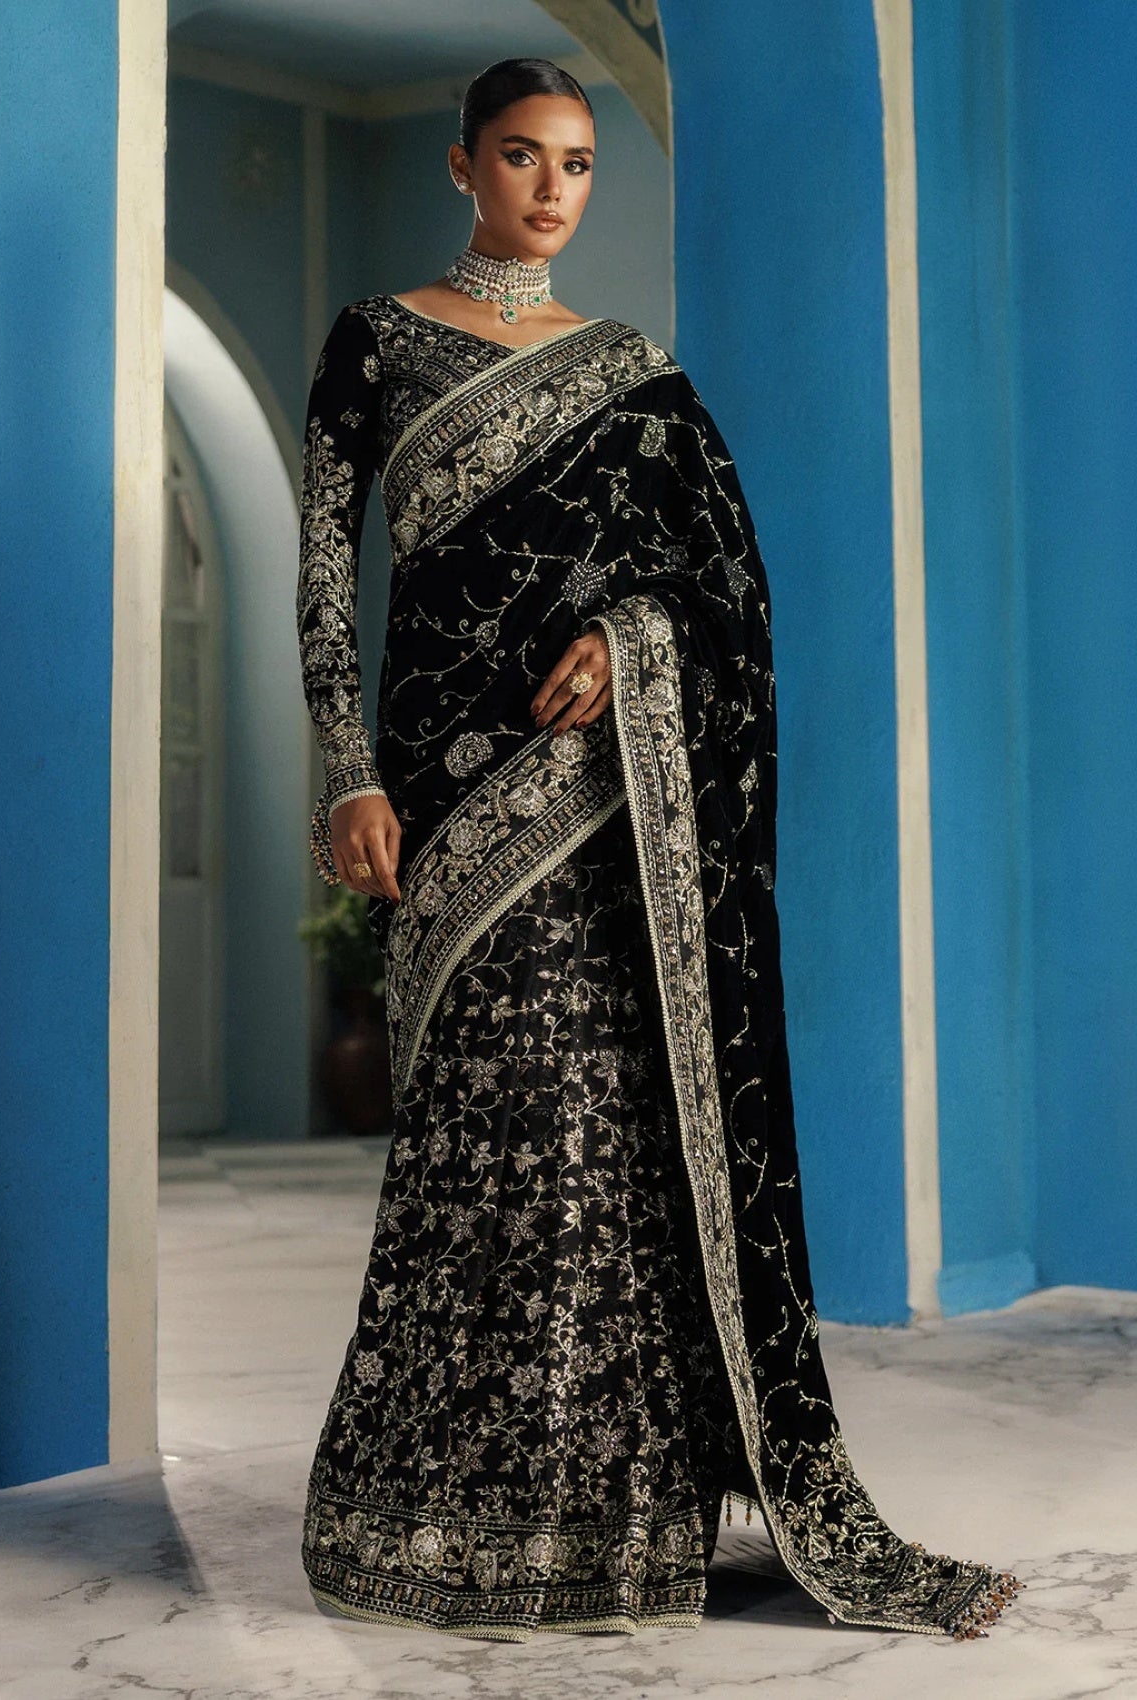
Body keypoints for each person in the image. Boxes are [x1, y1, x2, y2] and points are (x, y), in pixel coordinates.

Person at [295, 56, 1021, 1644]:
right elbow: (325, 581)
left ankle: (613, 1523)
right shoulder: (377, 342)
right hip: (445, 810)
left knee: (603, 1146)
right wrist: (348, 778)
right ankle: (432, 1504)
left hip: (605, 809)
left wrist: (631, 644)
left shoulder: (634, 376)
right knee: (470, 1145)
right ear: (463, 166)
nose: (552, 188)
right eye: (521, 156)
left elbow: (723, 590)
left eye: (576, 162)